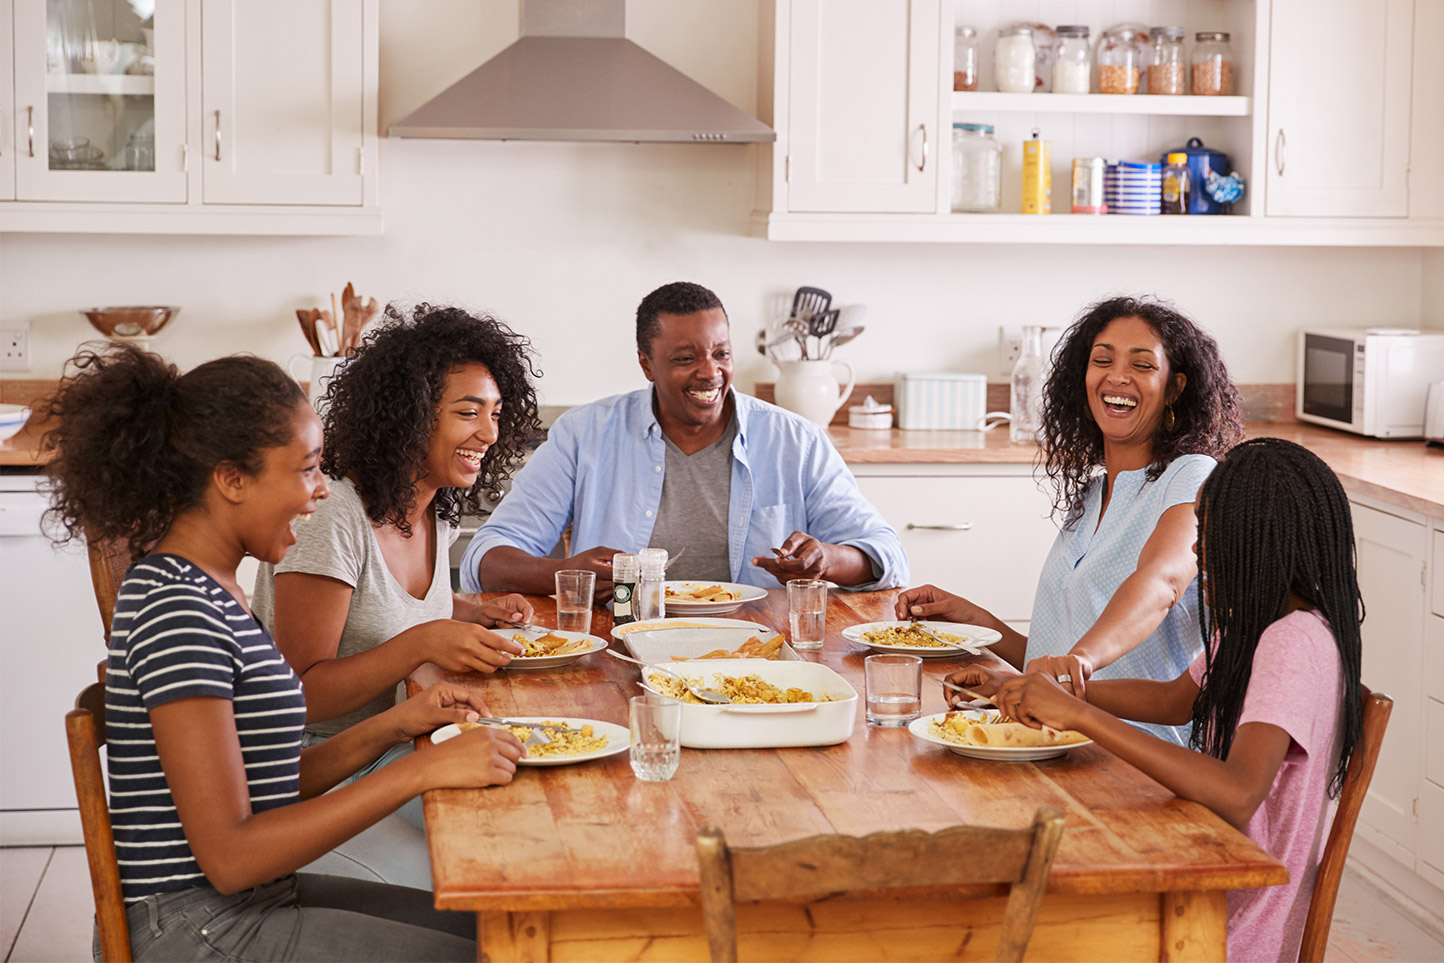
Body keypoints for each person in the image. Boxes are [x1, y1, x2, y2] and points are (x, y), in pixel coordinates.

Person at [39, 345, 524, 962]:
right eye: (305, 470)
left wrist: (398, 724)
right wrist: (420, 769)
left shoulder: (216, 589)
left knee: (501, 931)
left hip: (249, 903)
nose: (321, 492)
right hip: (197, 928)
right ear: (231, 479)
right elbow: (232, 857)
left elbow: (269, 784)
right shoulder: (176, 608)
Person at [951, 438, 1364, 962]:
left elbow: (1238, 793)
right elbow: (1175, 700)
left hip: (1226, 921)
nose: (1196, 553)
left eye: (1211, 538)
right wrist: (1047, 693)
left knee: (1017, 924)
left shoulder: (1293, 643)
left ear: (1262, 544)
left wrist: (1079, 713)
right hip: (1205, 871)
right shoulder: (1258, 626)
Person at [897, 296, 1244, 743]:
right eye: (1102, 360)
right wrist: (977, 622)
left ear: (1175, 388)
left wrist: (1079, 660)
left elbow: (1163, 583)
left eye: (1142, 365)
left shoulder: (1192, 475)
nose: (1117, 376)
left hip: (1139, 758)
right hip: (1061, 740)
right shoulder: (1094, 493)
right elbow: (1056, 666)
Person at [250, 305, 540, 835]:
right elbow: (302, 694)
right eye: (469, 412)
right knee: (505, 834)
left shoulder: (433, 503)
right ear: (410, 414)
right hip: (322, 769)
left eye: (497, 413)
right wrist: (424, 642)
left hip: (404, 740)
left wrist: (472, 611)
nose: (490, 434)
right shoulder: (333, 513)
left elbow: (379, 607)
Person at [461, 281, 908, 595]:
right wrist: (563, 573)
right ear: (646, 364)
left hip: (761, 652)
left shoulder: (796, 441)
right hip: (621, 648)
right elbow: (484, 559)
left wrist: (826, 560)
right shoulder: (584, 435)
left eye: (721, 353)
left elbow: (887, 556)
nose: (710, 372)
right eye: (685, 358)